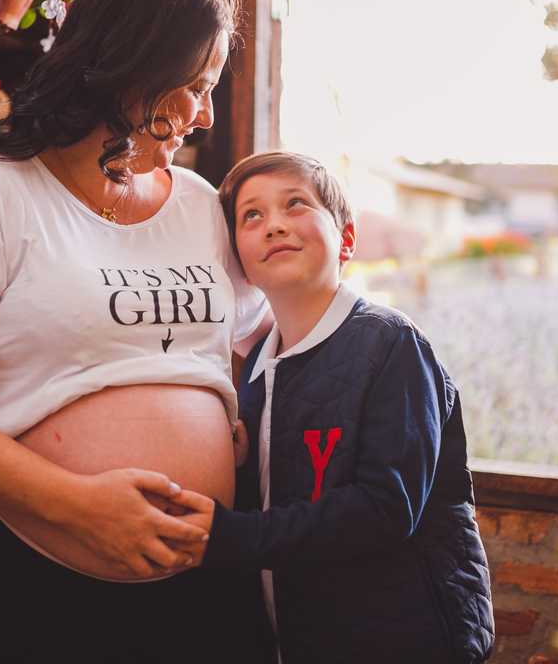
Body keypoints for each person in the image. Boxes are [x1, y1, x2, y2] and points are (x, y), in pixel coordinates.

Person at [0, 0, 274, 662]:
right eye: (193, 88)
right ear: (128, 65)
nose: (204, 115)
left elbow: (246, 342)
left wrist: (227, 420)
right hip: (41, 590)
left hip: (209, 583)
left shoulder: (206, 208)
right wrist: (76, 504)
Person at [179, 150, 495, 662]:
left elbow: (385, 508)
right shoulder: (258, 363)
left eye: (295, 204)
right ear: (241, 264)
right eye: (251, 215)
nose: (274, 225)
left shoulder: (391, 344)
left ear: (346, 239)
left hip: (401, 639)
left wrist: (232, 536)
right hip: (302, 637)